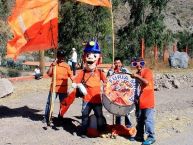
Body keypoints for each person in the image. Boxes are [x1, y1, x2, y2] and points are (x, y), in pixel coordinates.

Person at [73, 40, 106, 137]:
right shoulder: (82, 72)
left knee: (99, 116)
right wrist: (79, 85)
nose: (90, 57)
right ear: (84, 58)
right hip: (86, 99)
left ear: (98, 59)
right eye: (88, 55)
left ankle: (101, 130)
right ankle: (83, 131)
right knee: (84, 116)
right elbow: (74, 82)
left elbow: (106, 82)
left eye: (94, 56)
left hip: (97, 99)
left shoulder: (99, 72)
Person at [44, 49, 74, 126]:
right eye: (60, 57)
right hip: (54, 88)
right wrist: (52, 65)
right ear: (57, 57)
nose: (62, 58)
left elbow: (71, 76)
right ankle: (47, 117)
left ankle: (60, 117)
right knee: (50, 102)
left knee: (63, 103)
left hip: (63, 89)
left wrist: (76, 83)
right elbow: (49, 74)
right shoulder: (54, 64)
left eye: (63, 57)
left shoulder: (66, 66)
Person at [131, 57, 156, 145]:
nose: (138, 66)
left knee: (148, 120)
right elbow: (135, 88)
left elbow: (146, 82)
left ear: (143, 63)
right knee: (140, 119)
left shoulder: (147, 71)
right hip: (139, 101)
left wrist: (137, 76)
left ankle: (151, 137)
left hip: (148, 100)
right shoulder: (136, 74)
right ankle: (139, 135)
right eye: (135, 64)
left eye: (140, 64)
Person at [107, 57, 133, 128]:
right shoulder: (111, 71)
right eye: (115, 63)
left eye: (118, 63)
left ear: (121, 63)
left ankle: (128, 125)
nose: (117, 64)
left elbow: (130, 79)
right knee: (117, 110)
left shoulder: (125, 70)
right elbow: (107, 80)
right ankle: (118, 126)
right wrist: (111, 70)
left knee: (126, 110)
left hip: (124, 93)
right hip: (116, 94)